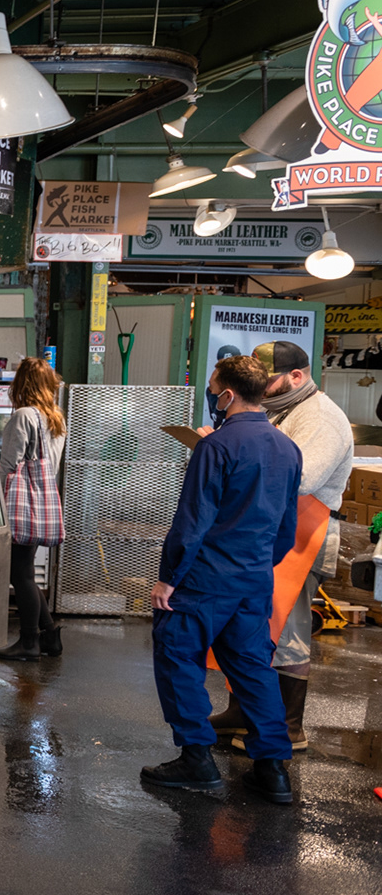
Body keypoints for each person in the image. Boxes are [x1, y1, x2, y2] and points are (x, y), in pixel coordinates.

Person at [143, 354, 299, 805]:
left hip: (204, 579)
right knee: (253, 669)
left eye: (214, 388)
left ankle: (196, 759)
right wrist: (256, 566)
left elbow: (192, 521)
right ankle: (273, 771)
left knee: (178, 658)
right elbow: (285, 529)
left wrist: (168, 579)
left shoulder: (216, 447)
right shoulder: (287, 447)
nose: (213, 396)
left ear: (228, 394)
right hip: (253, 581)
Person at [208, 341, 351, 753]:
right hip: (270, 529)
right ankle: (244, 712)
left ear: (296, 376)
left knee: (286, 628)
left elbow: (301, 477)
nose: (261, 386)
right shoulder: (275, 408)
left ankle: (288, 726)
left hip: (306, 531)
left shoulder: (320, 417)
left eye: (267, 379)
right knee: (253, 625)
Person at [0, 358, 67, 661]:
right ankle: (49, 635)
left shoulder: (25, 415)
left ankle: (29, 642)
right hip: (42, 501)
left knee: (20, 574)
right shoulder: (55, 417)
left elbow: (9, 464)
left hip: (22, 502)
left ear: (21, 384)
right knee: (25, 571)